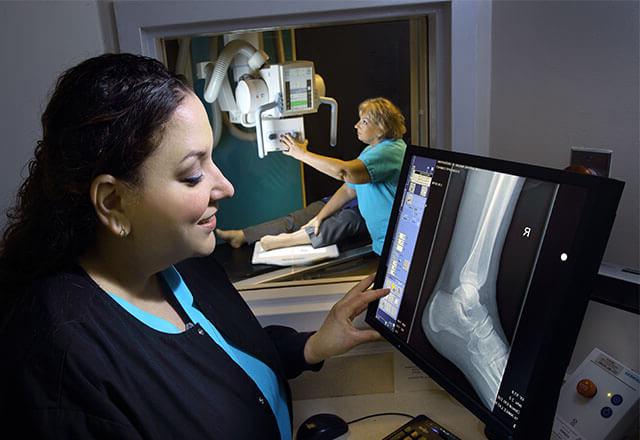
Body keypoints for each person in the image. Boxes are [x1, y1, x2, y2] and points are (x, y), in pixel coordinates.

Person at [0, 54, 388, 439]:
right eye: (193, 174)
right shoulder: (64, 367)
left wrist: (314, 346)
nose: (226, 188)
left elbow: (229, 356)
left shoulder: (182, 263)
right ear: (113, 202)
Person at [217, 97, 407, 255]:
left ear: (381, 128)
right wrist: (319, 217)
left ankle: (288, 240)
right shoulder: (371, 150)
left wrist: (302, 154)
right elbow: (349, 189)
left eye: (364, 122)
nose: (356, 125)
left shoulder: (391, 151)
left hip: (389, 244)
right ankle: (243, 235)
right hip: (372, 229)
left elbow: (345, 172)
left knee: (344, 220)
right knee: (307, 215)